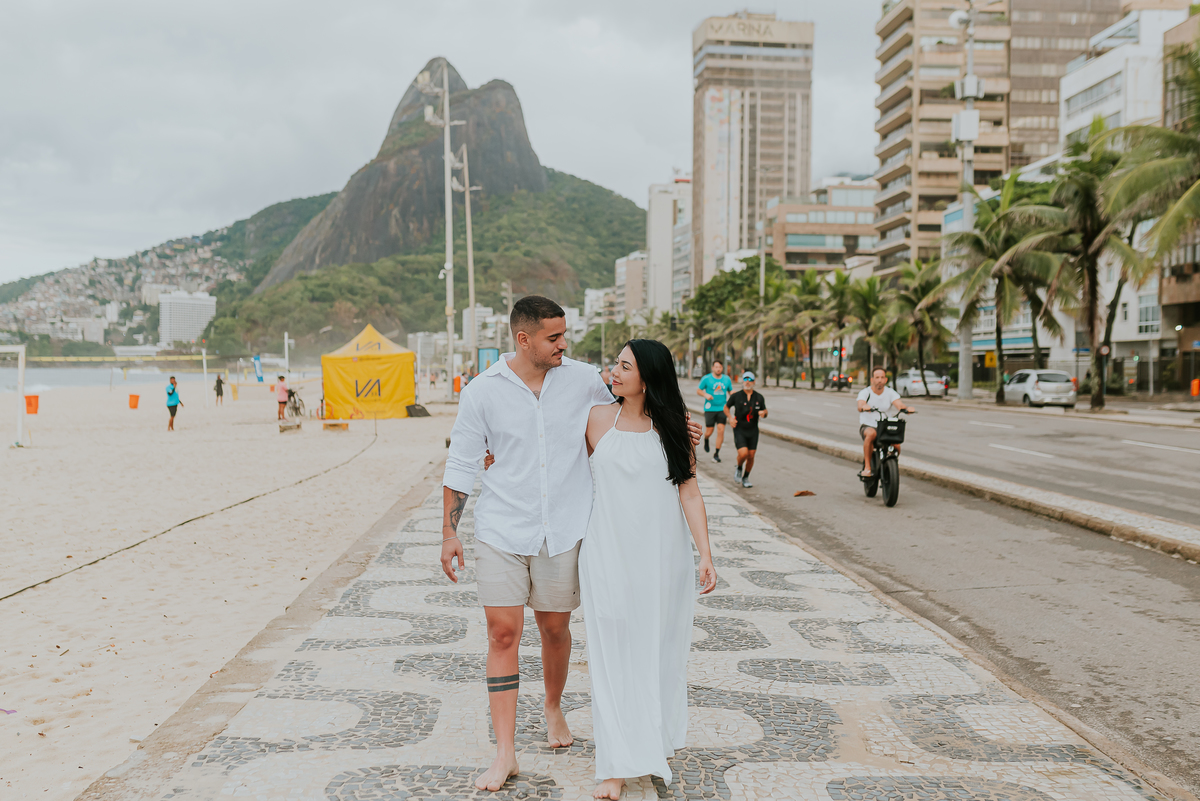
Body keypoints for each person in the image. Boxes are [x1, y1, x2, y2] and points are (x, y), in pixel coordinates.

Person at [439, 296, 702, 792]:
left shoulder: (584, 380)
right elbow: (462, 463)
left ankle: (553, 705)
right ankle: (505, 752)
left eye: (564, 334)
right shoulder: (481, 392)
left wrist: (683, 425)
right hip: (501, 528)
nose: (564, 344)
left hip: (563, 529)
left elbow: (638, 405)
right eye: (554, 337)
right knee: (502, 634)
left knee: (555, 629)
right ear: (524, 340)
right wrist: (450, 532)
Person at [581, 340, 716, 799]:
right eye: (616, 364)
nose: (614, 372)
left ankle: (651, 741)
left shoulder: (675, 427)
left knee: (657, 653)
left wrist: (705, 554)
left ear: (648, 378)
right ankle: (616, 764)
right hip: (606, 554)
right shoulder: (595, 419)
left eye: (625, 366)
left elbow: (689, 491)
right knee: (611, 655)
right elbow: (552, 463)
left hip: (662, 558)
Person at [857, 366, 915, 477]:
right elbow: (860, 404)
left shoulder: (890, 392)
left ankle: (890, 463)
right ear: (872, 380)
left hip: (884, 426)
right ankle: (867, 467)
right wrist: (864, 406)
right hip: (869, 426)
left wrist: (906, 409)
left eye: (882, 377)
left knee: (896, 444)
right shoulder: (865, 392)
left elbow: (899, 404)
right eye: (877, 377)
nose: (880, 380)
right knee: (871, 434)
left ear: (886, 380)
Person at [726, 371, 767, 488]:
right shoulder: (736, 396)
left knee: (751, 456)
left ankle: (745, 477)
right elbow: (726, 407)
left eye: (750, 380)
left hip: (753, 430)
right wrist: (730, 418)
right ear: (742, 381)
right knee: (743, 453)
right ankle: (739, 467)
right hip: (740, 428)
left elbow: (765, 411)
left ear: (754, 382)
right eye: (745, 379)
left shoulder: (759, 397)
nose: (747, 382)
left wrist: (763, 413)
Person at [696, 359, 733, 463]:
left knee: (721, 430)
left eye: (720, 367)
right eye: (716, 367)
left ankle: (716, 453)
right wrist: (705, 394)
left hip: (722, 408)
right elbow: (698, 390)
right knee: (709, 431)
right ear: (713, 368)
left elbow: (730, 391)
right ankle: (706, 439)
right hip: (710, 409)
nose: (718, 369)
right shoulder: (706, 378)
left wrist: (735, 395)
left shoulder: (726, 379)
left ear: (722, 368)